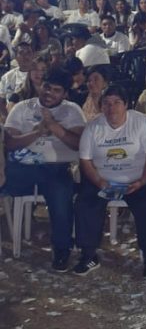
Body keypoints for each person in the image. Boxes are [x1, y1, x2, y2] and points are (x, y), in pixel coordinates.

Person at [2, 67, 85, 271]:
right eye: (47, 87)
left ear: (65, 93)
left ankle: (61, 250)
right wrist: (38, 132)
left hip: (56, 168)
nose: (49, 93)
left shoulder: (72, 110)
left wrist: (54, 126)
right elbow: (9, 142)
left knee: (60, 196)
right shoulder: (23, 107)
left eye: (56, 90)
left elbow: (78, 144)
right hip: (22, 167)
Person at [75, 84, 146, 277]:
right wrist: (98, 181)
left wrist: (142, 180)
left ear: (126, 105)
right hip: (103, 179)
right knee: (86, 203)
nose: (111, 108)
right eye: (106, 103)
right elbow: (85, 160)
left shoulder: (141, 122)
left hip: (138, 178)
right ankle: (88, 254)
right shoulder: (93, 127)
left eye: (116, 103)